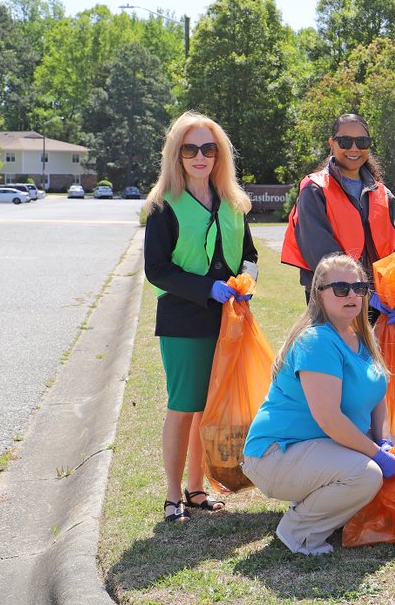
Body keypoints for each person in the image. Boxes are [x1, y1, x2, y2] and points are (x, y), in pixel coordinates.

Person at [242, 254, 395, 555]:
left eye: (359, 287)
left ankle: (313, 500)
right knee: (367, 474)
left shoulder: (362, 338)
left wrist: (383, 441)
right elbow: (330, 419)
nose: (352, 294)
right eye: (341, 288)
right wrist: (375, 455)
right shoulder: (316, 341)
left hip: (316, 449)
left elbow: (377, 397)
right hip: (276, 454)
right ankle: (299, 532)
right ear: (319, 294)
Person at [143, 111, 258, 523]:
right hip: (182, 320)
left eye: (208, 149)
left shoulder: (233, 203)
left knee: (208, 409)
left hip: (227, 320)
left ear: (219, 155)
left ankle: (197, 490)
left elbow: (249, 255)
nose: (199, 156)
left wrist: (248, 277)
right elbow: (156, 268)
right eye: (189, 148)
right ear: (176, 154)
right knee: (183, 405)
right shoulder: (163, 206)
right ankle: (173, 496)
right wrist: (204, 287)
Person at [281, 114, 395, 327]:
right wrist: (364, 293)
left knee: (374, 361)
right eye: (345, 141)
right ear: (332, 144)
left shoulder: (383, 194)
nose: (354, 148)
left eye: (362, 142)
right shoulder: (315, 189)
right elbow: (322, 255)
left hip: (380, 309)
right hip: (333, 303)